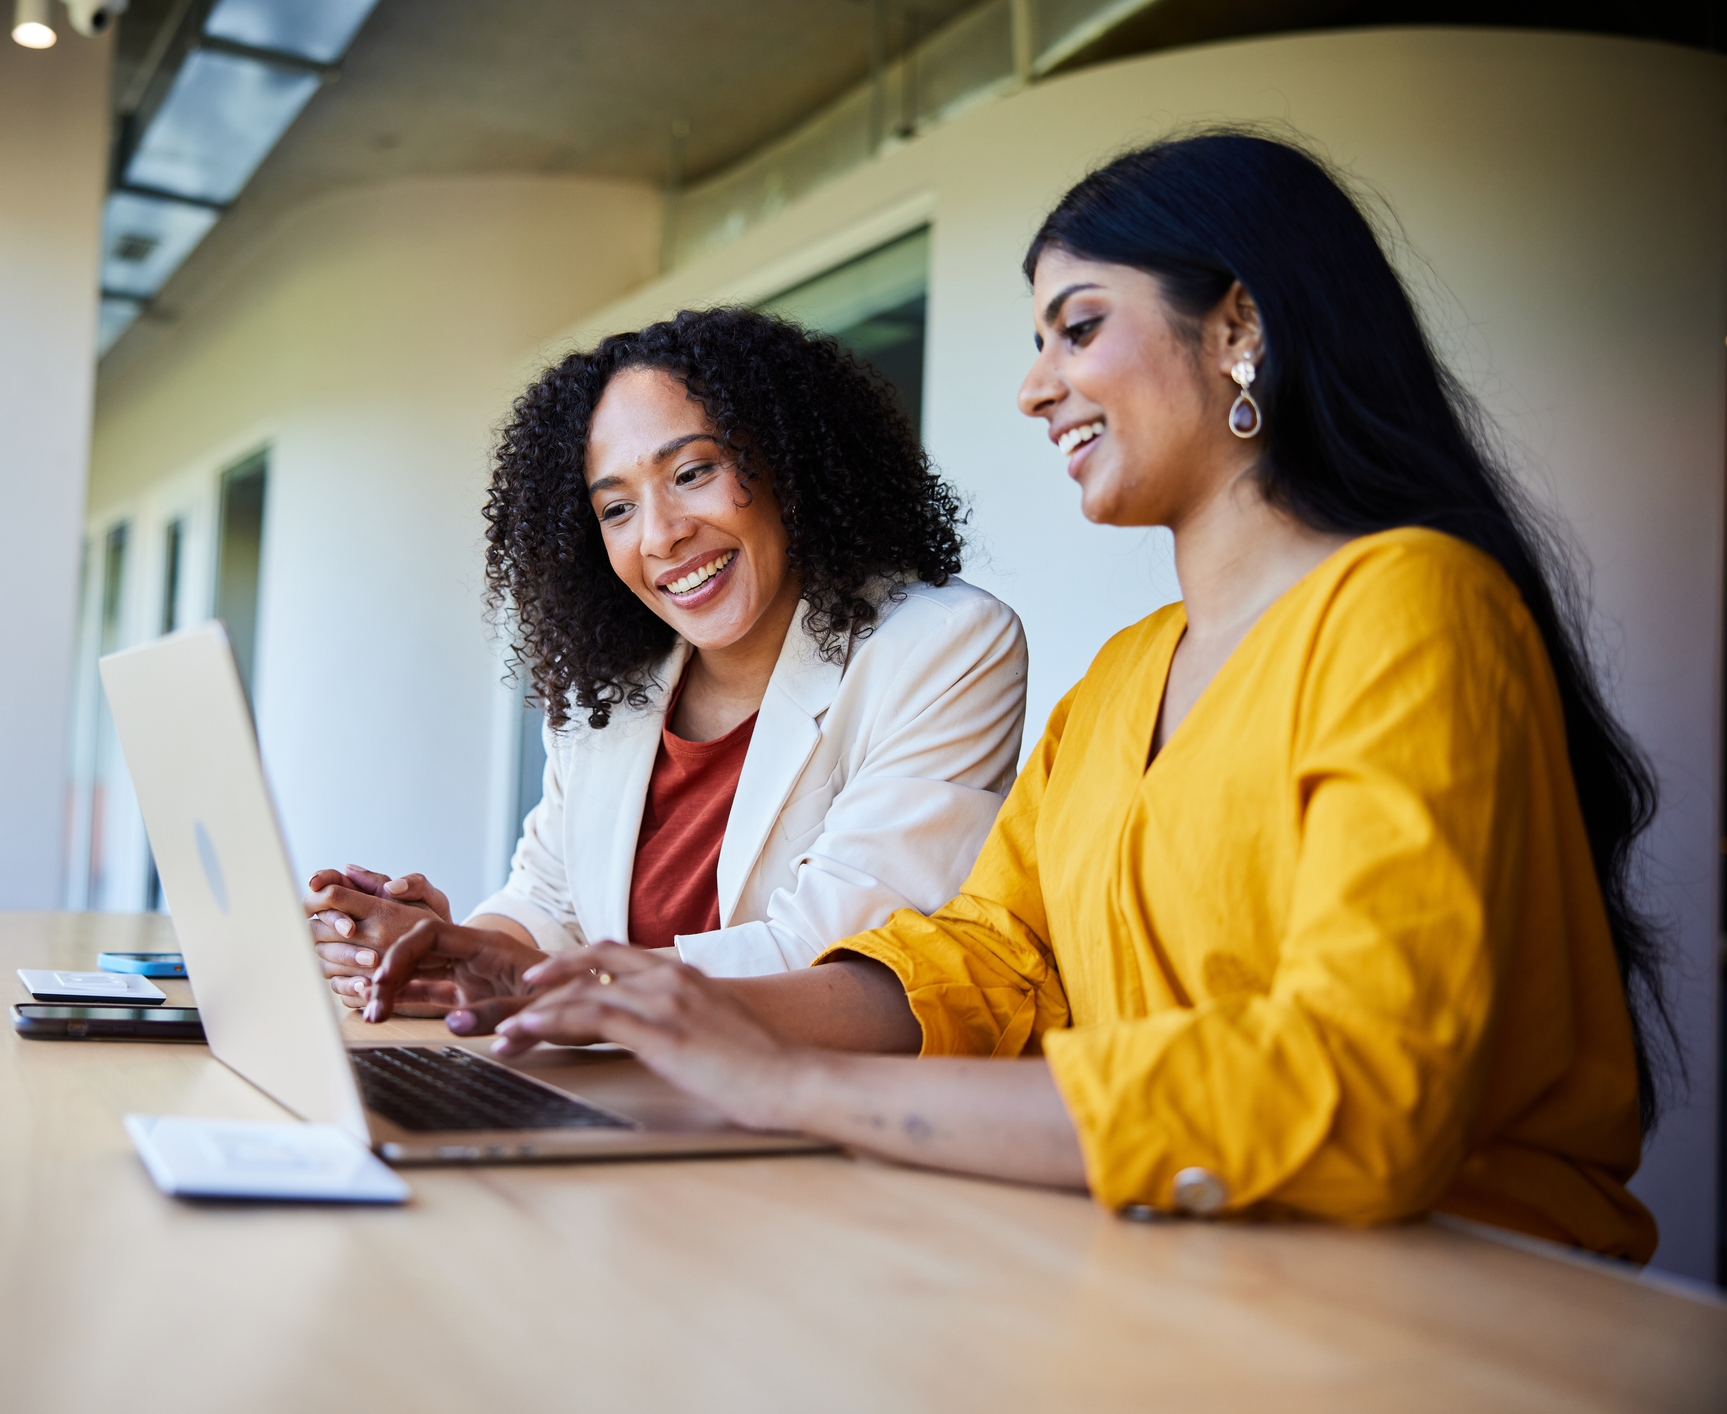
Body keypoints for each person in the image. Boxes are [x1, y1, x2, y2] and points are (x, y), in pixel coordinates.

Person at [368, 131, 1673, 1262]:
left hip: (1457, 1285)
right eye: (1037, 339)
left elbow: (1356, 1088)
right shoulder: (1121, 680)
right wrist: (647, 998)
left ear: (1238, 327)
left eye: (1081, 326)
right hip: (1173, 1245)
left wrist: (794, 1081)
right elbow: (982, 965)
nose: (1036, 385)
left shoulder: (1408, 602)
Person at [310, 307, 1028, 1009]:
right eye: (616, 509)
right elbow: (546, 906)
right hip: (614, 1096)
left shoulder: (946, 646)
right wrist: (444, 951)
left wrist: (521, 976)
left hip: (802, 1112)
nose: (660, 536)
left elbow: (839, 954)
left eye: (692, 472)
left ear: (790, 462)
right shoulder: (612, 692)